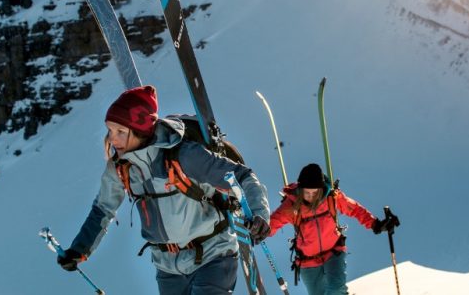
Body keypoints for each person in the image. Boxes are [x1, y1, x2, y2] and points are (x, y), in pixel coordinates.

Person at [57, 85, 271, 295]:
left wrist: (260, 213)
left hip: (213, 257)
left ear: (140, 129)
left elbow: (242, 176)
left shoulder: (183, 155)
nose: (112, 138)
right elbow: (103, 209)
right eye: (110, 130)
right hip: (168, 268)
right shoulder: (120, 167)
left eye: (120, 131)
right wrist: (79, 249)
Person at [267, 163, 400, 295]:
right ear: (300, 190)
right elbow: (273, 222)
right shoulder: (292, 205)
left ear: (321, 190)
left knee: (336, 290)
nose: (311, 196)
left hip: (333, 253)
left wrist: (375, 224)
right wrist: (261, 229)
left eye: (315, 192)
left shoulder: (331, 198)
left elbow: (354, 209)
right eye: (306, 192)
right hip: (307, 261)